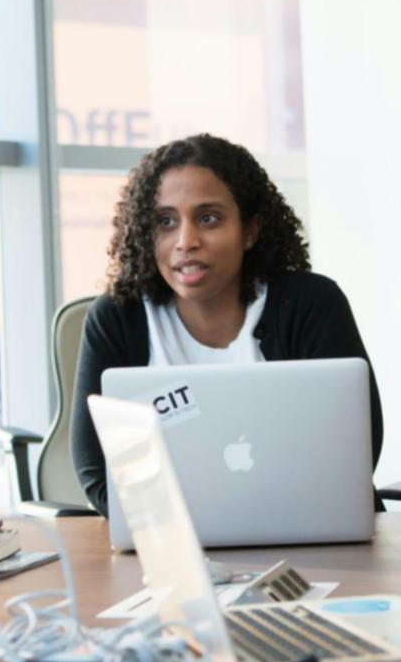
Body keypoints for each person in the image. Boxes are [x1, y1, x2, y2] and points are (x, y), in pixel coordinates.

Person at [68, 133, 383, 517]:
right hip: (171, 544)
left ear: (250, 230)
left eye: (209, 218)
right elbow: (97, 473)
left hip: (313, 533)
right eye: (165, 221)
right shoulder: (118, 318)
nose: (186, 240)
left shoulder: (310, 304)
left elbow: (357, 446)